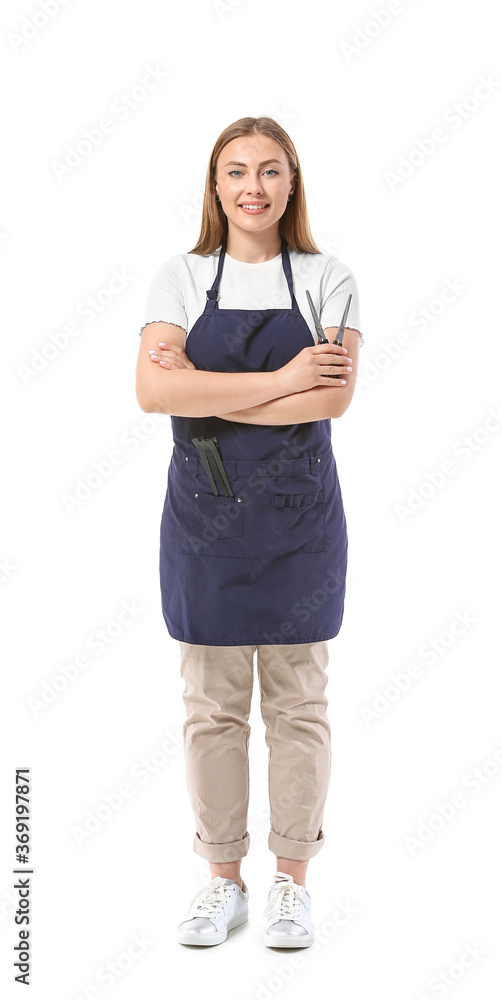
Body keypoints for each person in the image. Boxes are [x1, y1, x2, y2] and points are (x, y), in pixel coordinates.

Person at [135, 116, 363, 948]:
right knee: (212, 712)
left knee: (299, 708)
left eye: (270, 171)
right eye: (236, 172)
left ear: (292, 182)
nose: (253, 187)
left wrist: (206, 387)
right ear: (216, 185)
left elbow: (331, 401)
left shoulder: (328, 278)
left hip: (301, 529)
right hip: (204, 524)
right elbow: (153, 396)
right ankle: (221, 881)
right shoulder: (182, 277)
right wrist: (283, 378)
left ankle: (292, 884)